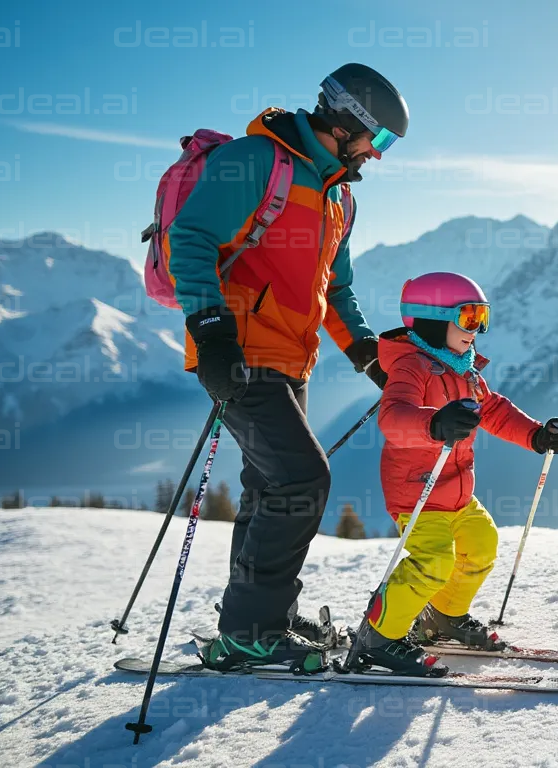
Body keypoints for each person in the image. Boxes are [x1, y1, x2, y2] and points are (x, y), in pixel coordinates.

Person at [167, 63, 406, 670]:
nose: (378, 156)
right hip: (238, 353)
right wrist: (211, 331)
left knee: (267, 486)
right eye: (378, 140)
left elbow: (336, 290)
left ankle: (255, 613)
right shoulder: (256, 161)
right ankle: (253, 629)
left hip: (290, 359)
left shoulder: (337, 197)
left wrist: (367, 356)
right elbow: (190, 239)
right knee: (302, 479)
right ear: (348, 120)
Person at [355, 272, 558, 676]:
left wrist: (536, 435)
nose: (478, 329)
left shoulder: (464, 369)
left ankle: (444, 617)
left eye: (482, 318)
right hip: (416, 493)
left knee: (482, 544)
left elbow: (493, 411)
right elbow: (393, 416)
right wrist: (434, 424)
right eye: (469, 318)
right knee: (433, 559)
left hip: (456, 492)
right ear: (434, 321)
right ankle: (379, 636)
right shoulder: (411, 367)